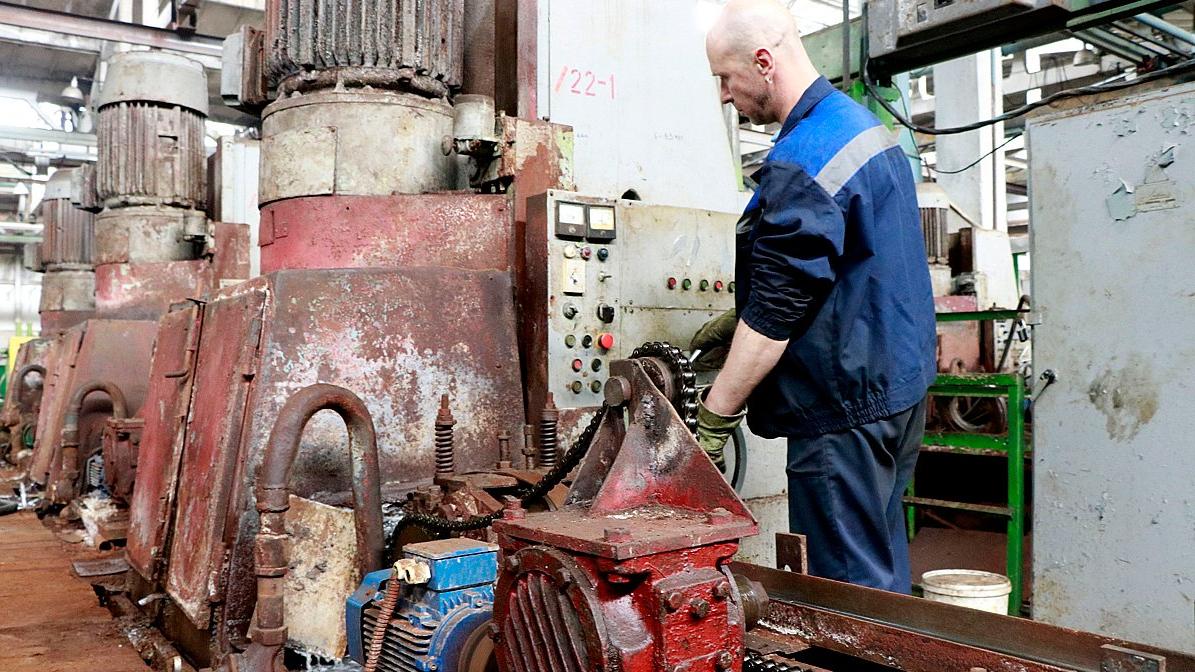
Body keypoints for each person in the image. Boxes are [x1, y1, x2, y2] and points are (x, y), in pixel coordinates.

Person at [692, 0, 936, 594]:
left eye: (725, 78)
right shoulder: (863, 130)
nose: (725, 95)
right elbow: (856, 264)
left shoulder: (801, 160)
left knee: (843, 598)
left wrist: (713, 417)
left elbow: (776, 314)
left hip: (842, 413)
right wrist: (744, 314)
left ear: (764, 61)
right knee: (878, 568)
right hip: (897, 394)